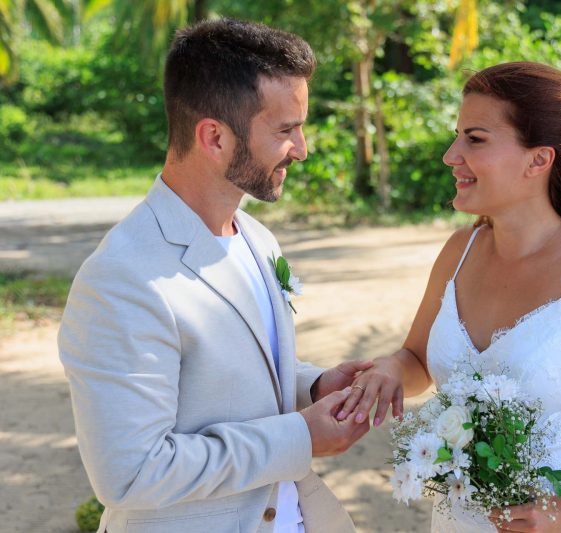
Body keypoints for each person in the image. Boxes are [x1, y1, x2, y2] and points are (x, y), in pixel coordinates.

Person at [337, 62, 561, 532]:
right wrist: (388, 369)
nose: (450, 155)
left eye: (474, 139)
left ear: (538, 160)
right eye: (457, 136)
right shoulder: (459, 251)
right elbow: (416, 359)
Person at [58, 19, 371, 533]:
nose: (303, 148)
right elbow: (130, 473)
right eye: (286, 130)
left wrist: (312, 387)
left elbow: (224, 377)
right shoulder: (121, 280)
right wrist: (300, 438)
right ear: (214, 137)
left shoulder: (255, 237)